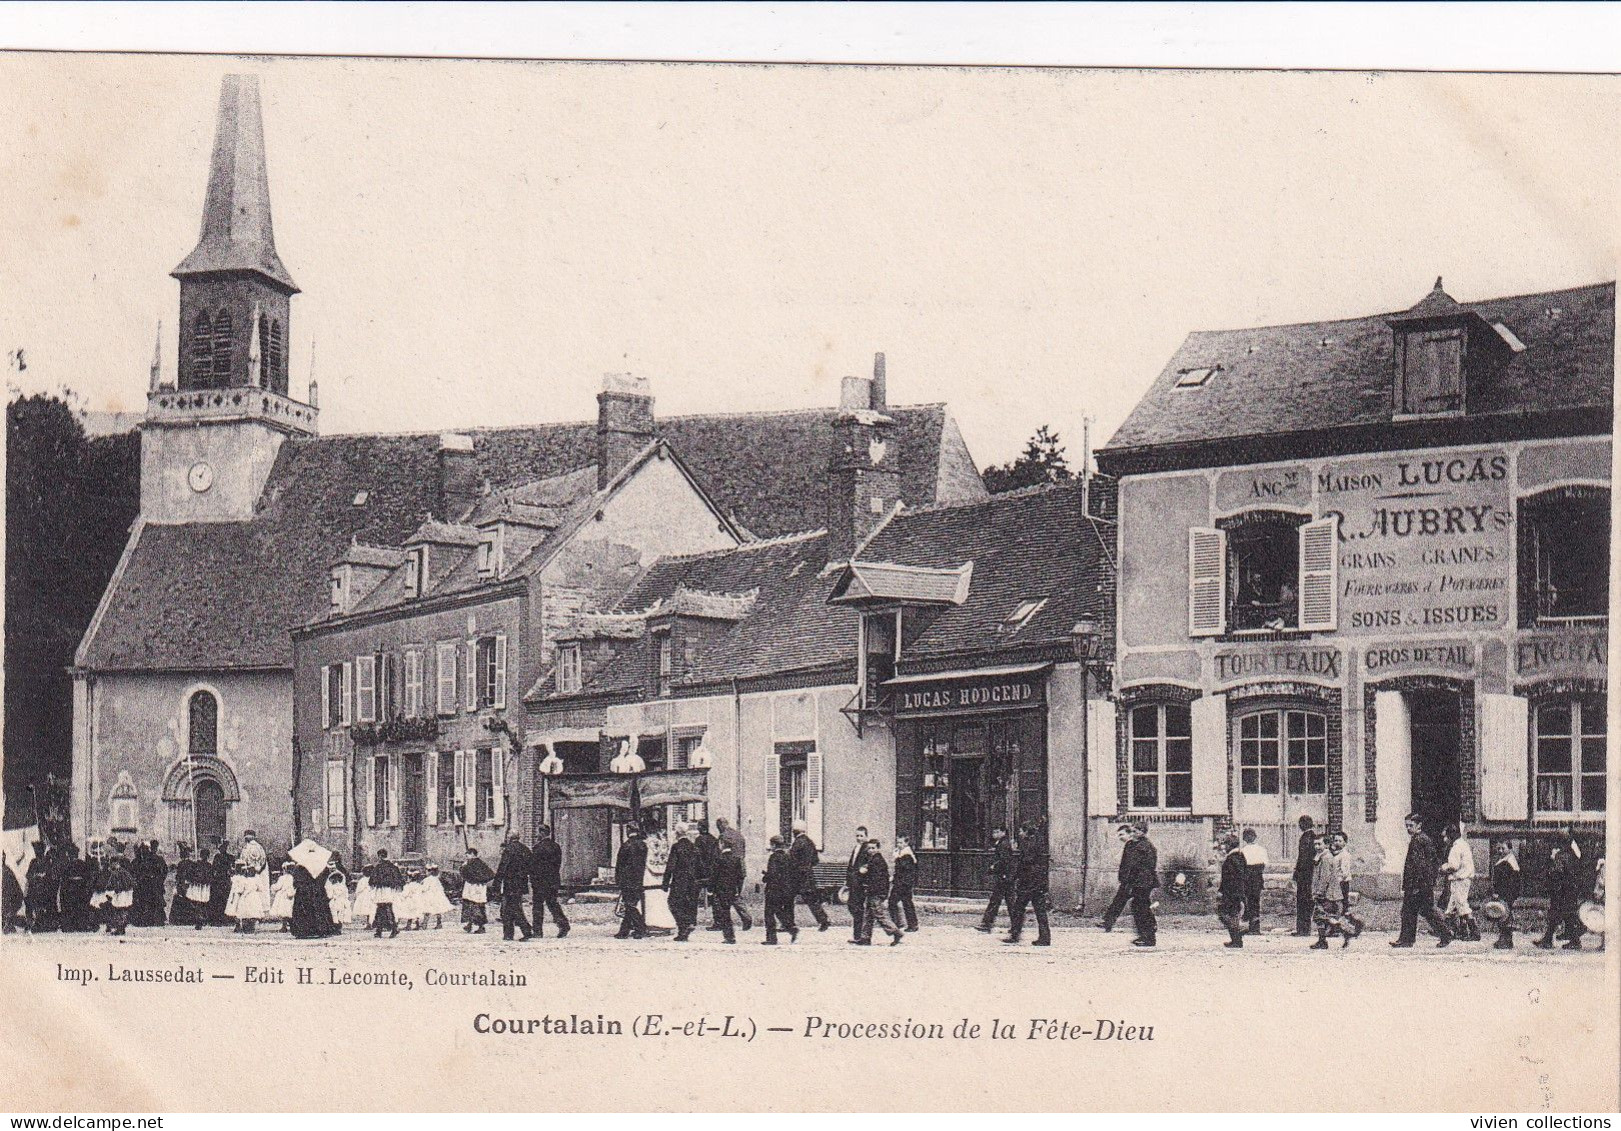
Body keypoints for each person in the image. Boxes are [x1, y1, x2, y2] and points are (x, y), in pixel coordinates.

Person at [1391, 813, 1452, 948]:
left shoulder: (1419, 840)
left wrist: (1416, 885)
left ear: (1419, 825)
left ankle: (1445, 933)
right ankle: (1407, 939)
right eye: (1406, 825)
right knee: (1415, 911)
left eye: (1411, 825)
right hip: (1421, 884)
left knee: (1418, 911)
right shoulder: (1421, 839)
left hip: (1418, 885)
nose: (1408, 828)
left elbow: (1420, 865)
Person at [1535, 828, 1585, 951]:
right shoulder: (1573, 853)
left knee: (1560, 914)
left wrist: (1552, 859)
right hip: (1569, 889)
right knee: (1563, 914)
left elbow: (1555, 872)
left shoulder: (1561, 856)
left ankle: (1571, 941)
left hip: (1561, 890)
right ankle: (1550, 939)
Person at [1005, 826, 1051, 947]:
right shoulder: (1039, 841)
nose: (1019, 833)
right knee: (1040, 911)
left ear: (1026, 831)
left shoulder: (1029, 844)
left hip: (1028, 882)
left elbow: (1025, 861)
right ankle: (1045, 937)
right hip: (1038, 882)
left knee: (1018, 908)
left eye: (1020, 831)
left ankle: (1015, 934)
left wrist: (1014, 877)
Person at [852, 838, 903, 946]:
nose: (870, 850)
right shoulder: (873, 859)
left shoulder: (877, 860)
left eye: (873, 848)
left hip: (876, 891)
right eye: (869, 848)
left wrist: (864, 873)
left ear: (878, 848)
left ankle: (895, 932)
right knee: (868, 914)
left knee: (879, 914)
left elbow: (876, 878)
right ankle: (865, 938)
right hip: (873, 891)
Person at [1311, 830, 1354, 950]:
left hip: (1327, 894)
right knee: (1325, 917)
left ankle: (1325, 940)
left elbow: (1325, 877)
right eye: (1315, 844)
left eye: (1319, 844)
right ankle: (1342, 932)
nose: (1317, 847)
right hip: (1329, 893)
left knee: (1320, 917)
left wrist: (1319, 892)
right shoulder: (1323, 856)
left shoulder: (1326, 858)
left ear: (1326, 845)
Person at [1121, 822, 1159, 947]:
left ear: (1142, 832)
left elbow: (1146, 866)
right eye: (1132, 831)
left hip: (1143, 882)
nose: (1132, 834)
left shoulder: (1146, 846)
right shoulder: (1132, 845)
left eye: (1135, 831)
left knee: (1141, 907)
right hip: (1136, 881)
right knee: (1139, 906)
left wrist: (1136, 879)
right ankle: (1145, 934)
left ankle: (1148, 936)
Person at [788, 820, 831, 930]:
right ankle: (823, 920)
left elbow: (791, 860)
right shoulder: (810, 842)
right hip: (808, 876)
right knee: (812, 900)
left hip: (797, 876)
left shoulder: (797, 843)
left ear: (795, 831)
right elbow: (815, 860)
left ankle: (789, 924)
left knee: (788, 899)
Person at [529, 826, 570, 939]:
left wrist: (533, 879)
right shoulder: (556, 847)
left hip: (540, 882)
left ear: (542, 833)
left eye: (538, 832)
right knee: (552, 903)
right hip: (553, 880)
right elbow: (558, 864)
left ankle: (537, 931)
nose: (537, 835)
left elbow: (534, 867)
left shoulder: (538, 848)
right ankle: (563, 924)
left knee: (537, 906)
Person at [1440, 824, 1479, 942]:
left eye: (1445, 836)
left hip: (1459, 879)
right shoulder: (1463, 844)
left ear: (1451, 836)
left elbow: (1453, 866)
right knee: (1451, 907)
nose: (1444, 839)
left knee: (1462, 905)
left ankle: (1474, 932)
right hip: (1463, 879)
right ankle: (1453, 930)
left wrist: (1442, 868)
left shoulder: (1456, 848)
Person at [664, 823, 702, 942]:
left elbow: (671, 865)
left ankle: (683, 927)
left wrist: (665, 882)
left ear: (677, 833)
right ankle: (687, 926)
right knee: (688, 904)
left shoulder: (676, 847)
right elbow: (700, 865)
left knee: (673, 903)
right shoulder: (694, 846)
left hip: (680, 880)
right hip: (693, 881)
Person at [714, 818, 752, 931]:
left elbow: (720, 854)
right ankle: (746, 918)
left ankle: (720, 922)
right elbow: (743, 853)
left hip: (727, 869)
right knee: (735, 895)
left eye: (718, 826)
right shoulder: (739, 835)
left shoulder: (723, 836)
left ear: (720, 825)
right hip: (740, 869)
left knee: (719, 896)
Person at [1097, 824, 1137, 931]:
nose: (1120, 837)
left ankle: (1107, 922)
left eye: (1122, 834)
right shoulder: (1129, 845)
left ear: (1129, 834)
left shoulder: (1132, 845)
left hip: (1132, 881)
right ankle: (1107, 922)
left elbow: (1130, 865)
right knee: (1120, 901)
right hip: (1129, 880)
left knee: (1138, 903)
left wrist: (1128, 880)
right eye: (1118, 835)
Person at [495, 834, 535, 942]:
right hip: (520, 883)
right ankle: (510, 934)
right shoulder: (525, 849)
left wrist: (497, 883)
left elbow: (503, 867)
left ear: (509, 838)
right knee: (511, 907)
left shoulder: (508, 850)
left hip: (510, 883)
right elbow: (531, 866)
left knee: (511, 908)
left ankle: (523, 931)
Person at [977, 826, 1015, 934]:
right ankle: (987, 924)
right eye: (993, 832)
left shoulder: (1003, 844)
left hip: (1004, 877)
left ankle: (987, 924)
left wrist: (995, 868)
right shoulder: (1002, 843)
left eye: (997, 832)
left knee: (998, 901)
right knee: (1007, 902)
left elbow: (1005, 861)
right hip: (1006, 877)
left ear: (1003, 832)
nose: (994, 834)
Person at [761, 834, 798, 945]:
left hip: (773, 889)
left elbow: (773, 874)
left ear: (773, 845)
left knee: (769, 913)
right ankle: (790, 927)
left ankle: (771, 938)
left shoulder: (774, 857)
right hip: (785, 889)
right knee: (778, 911)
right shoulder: (788, 857)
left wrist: (765, 877)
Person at [614, 825, 649, 939]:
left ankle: (641, 928)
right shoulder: (643, 845)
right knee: (631, 904)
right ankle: (624, 931)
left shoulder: (626, 845)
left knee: (629, 905)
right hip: (638, 879)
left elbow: (620, 864)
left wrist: (618, 879)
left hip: (627, 879)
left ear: (628, 831)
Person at [290, 857, 338, 939]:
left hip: (303, 892)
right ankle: (320, 930)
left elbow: (296, 881)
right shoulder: (321, 865)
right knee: (319, 909)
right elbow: (325, 878)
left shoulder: (300, 866)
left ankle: (304, 931)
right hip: (318, 891)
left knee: (304, 910)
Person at [711, 838, 746, 944]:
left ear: (722, 845)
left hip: (721, 889)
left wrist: (711, 890)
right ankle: (746, 918)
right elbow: (740, 876)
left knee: (725, 913)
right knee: (736, 905)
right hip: (733, 888)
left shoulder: (718, 859)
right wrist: (738, 889)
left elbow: (714, 876)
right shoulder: (737, 859)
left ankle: (729, 936)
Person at [1215, 833, 1248, 949]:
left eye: (1225, 844)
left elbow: (1228, 878)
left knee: (1224, 913)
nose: (1224, 847)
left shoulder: (1231, 859)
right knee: (1232, 915)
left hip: (1231, 892)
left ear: (1229, 845)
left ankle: (1238, 933)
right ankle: (1236, 939)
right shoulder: (1240, 856)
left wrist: (1222, 890)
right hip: (1237, 891)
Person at [1489, 840, 1522, 950]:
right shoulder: (1504, 860)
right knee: (1502, 916)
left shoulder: (1509, 862)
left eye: (1503, 848)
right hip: (1505, 893)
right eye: (1499, 848)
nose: (1500, 851)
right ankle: (1505, 939)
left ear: (1510, 849)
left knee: (1504, 916)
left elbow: (1509, 881)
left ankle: (1505, 940)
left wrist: (1499, 893)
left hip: (1506, 893)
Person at [235, 831, 270, 933]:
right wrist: (257, 870)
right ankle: (255, 922)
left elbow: (242, 862)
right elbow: (263, 862)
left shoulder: (246, 849)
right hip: (257, 875)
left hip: (248, 877)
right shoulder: (260, 848)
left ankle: (244, 924)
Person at [171, 844, 210, 929]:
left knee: (196, 901)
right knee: (197, 901)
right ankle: (197, 918)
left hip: (198, 885)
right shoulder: (195, 864)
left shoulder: (196, 864)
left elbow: (192, 874)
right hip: (199, 885)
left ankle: (197, 918)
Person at [1291, 816, 1319, 936]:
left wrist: (1296, 873)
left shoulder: (1305, 837)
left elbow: (1302, 858)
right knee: (1308, 901)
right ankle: (1305, 928)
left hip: (1304, 874)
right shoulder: (1313, 836)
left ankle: (1302, 929)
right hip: (1310, 873)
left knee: (1302, 901)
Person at [367, 849, 403, 939]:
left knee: (382, 909)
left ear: (379, 856)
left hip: (382, 890)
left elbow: (372, 881)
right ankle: (383, 930)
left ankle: (387, 929)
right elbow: (399, 879)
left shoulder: (378, 867)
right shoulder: (393, 867)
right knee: (386, 909)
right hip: (390, 890)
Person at [130, 841, 167, 928]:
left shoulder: (152, 859)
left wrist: (157, 879)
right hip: (147, 885)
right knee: (148, 902)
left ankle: (152, 920)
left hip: (152, 884)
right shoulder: (141, 860)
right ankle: (149, 920)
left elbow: (163, 871)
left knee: (152, 902)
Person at [1239, 827, 1269, 935]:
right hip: (1256, 878)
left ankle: (1253, 927)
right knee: (1255, 902)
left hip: (1248, 879)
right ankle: (1254, 927)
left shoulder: (1242, 851)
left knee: (1249, 902)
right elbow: (1264, 864)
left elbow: (1241, 867)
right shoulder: (1262, 850)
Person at [100, 849, 135, 936]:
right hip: (118, 894)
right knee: (118, 910)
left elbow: (129, 882)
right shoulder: (114, 872)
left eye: (114, 863)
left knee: (121, 910)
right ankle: (118, 927)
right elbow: (110, 883)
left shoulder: (122, 872)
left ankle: (120, 928)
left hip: (123, 893)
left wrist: (120, 888)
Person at [460, 849, 495, 933]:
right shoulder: (481, 863)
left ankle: (480, 926)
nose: (466, 856)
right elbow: (491, 874)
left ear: (472, 854)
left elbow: (464, 874)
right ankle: (470, 924)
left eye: (467, 854)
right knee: (474, 905)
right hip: (478, 887)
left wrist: (463, 867)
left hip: (473, 887)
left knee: (474, 905)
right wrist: (483, 881)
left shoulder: (470, 864)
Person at [889, 836, 919, 932]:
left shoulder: (907, 854)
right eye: (898, 842)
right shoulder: (903, 853)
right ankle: (912, 924)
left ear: (906, 843)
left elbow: (903, 866)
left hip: (902, 883)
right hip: (903, 882)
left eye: (901, 843)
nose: (899, 845)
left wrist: (896, 857)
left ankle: (897, 923)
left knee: (892, 902)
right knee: (907, 903)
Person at [695, 821, 721, 930]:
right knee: (715, 897)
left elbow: (697, 856)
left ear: (701, 828)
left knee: (693, 895)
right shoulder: (714, 839)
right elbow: (716, 856)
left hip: (701, 872)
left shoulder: (699, 840)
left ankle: (692, 920)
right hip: (712, 871)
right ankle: (718, 921)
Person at [845, 825, 869, 941]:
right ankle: (859, 933)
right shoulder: (856, 848)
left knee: (858, 908)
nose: (859, 838)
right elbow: (851, 865)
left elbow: (867, 865)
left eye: (861, 836)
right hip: (853, 882)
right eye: (857, 836)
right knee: (852, 906)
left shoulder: (867, 849)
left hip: (860, 883)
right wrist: (848, 880)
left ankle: (858, 935)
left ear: (866, 836)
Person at [207, 836, 235, 926]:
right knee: (223, 899)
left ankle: (218, 919)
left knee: (219, 899)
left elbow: (214, 868)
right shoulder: (230, 857)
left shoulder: (218, 857)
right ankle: (224, 918)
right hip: (223, 880)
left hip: (219, 880)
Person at [419, 864, 452, 929]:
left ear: (429, 872)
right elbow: (441, 888)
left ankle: (424, 924)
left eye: (426, 871)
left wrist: (420, 888)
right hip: (437, 896)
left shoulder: (427, 880)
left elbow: (424, 888)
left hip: (430, 897)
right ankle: (439, 923)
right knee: (437, 910)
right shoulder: (436, 879)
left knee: (427, 910)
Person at [268, 862, 297, 930]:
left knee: (284, 911)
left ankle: (284, 926)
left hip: (284, 896)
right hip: (291, 894)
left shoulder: (282, 878)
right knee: (289, 911)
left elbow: (278, 886)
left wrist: (273, 886)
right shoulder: (293, 877)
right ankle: (290, 925)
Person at [326, 860, 352, 930]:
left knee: (335, 914)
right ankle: (338, 926)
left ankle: (336, 926)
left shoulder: (334, 883)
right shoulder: (342, 885)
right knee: (340, 913)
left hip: (335, 901)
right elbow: (345, 892)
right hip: (340, 900)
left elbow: (330, 894)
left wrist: (330, 897)